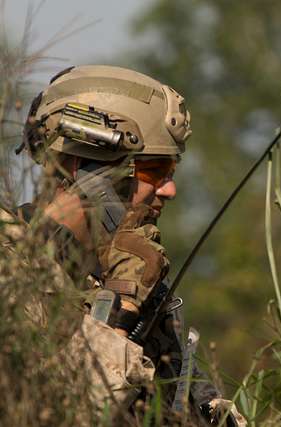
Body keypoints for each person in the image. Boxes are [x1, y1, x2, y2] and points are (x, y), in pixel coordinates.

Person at [3, 65, 245, 425]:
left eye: (170, 173)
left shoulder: (122, 276)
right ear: (80, 168)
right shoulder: (12, 270)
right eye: (154, 171)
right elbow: (76, 407)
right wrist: (119, 306)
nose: (169, 190)